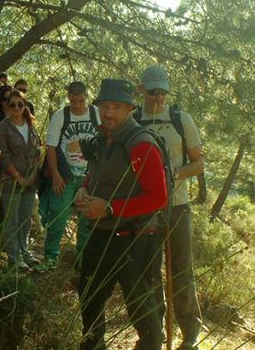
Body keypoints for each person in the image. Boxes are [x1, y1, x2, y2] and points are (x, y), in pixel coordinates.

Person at [74, 78, 168, 350]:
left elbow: (158, 198)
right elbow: (95, 173)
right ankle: (92, 345)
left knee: (141, 304)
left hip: (137, 238)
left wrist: (110, 208)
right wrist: (83, 189)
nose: (109, 113)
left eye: (116, 107)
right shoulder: (104, 137)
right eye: (104, 106)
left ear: (129, 109)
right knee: (90, 294)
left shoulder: (140, 144)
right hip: (102, 233)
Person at [137, 65, 204, 350]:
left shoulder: (180, 119)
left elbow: (198, 163)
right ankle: (155, 333)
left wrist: (175, 174)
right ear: (142, 90)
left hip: (177, 204)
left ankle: (190, 334)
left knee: (181, 270)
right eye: (153, 92)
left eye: (162, 92)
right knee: (148, 271)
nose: (158, 98)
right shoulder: (134, 120)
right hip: (145, 207)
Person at [35, 81, 100, 273]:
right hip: (66, 174)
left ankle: (84, 258)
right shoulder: (61, 116)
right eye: (73, 101)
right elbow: (52, 147)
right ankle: (51, 256)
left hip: (89, 175)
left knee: (86, 217)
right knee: (57, 213)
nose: (77, 105)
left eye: (81, 101)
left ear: (86, 97)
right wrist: (55, 175)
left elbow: (105, 140)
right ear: (69, 98)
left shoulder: (96, 114)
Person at [0, 89, 42, 270]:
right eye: (12, 104)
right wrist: (18, 176)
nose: (16, 107)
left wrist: (31, 176)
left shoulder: (31, 127)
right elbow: (3, 155)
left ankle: (25, 251)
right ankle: (14, 257)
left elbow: (38, 153)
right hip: (10, 181)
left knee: (25, 219)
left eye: (19, 104)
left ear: (25, 106)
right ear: (7, 106)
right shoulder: (3, 128)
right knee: (12, 220)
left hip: (30, 182)